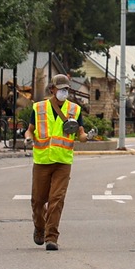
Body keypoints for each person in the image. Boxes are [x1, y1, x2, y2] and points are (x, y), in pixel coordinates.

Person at [29, 75, 86, 251]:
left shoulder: (74, 109)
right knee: (38, 202)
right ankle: (39, 227)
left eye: (66, 89)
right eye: (61, 88)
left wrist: (84, 137)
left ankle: (51, 237)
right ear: (52, 89)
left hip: (62, 161)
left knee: (57, 199)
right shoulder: (38, 108)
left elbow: (80, 132)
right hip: (42, 160)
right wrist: (28, 139)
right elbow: (30, 131)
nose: (64, 92)